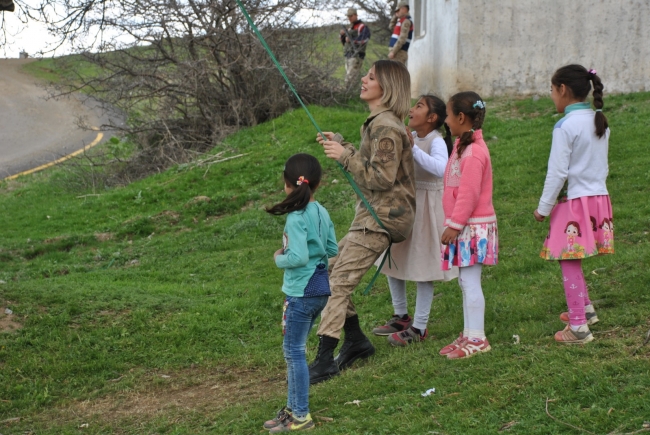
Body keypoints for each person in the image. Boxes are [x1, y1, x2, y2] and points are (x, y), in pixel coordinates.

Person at [310, 60, 416, 383]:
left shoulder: (387, 128)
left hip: (382, 220)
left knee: (338, 281)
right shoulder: (378, 124)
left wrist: (343, 155)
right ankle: (356, 341)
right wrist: (345, 145)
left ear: (387, 88)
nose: (364, 79)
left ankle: (325, 359)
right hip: (372, 216)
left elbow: (380, 178)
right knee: (330, 270)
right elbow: (373, 166)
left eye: (371, 77)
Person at [534, 64, 613, 344]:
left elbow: (557, 173)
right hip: (598, 201)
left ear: (563, 90)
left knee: (569, 261)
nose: (552, 97)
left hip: (574, 204)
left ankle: (579, 327)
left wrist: (543, 208)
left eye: (552, 91)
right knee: (574, 259)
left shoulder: (565, 126)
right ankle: (586, 310)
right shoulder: (599, 120)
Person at [372, 95, 458, 346]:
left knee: (424, 267)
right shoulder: (411, 136)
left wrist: (413, 148)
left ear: (432, 118)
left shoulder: (436, 140)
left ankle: (419, 327)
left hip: (428, 208)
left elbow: (441, 169)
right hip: (405, 204)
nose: (411, 109)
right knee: (392, 257)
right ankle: (400, 316)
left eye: (419, 106)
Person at [263, 153, 338, 433]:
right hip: (319, 290)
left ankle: (301, 415)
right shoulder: (322, 211)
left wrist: (278, 257)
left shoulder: (296, 217)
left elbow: (297, 257)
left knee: (293, 353)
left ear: (287, 184)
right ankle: (292, 409)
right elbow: (332, 250)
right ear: (316, 184)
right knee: (295, 352)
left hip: (299, 293)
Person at [439, 91, 497, 360]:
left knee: (471, 282)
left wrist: (454, 224)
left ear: (461, 117)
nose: (446, 120)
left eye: (449, 115)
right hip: (466, 227)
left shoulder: (473, 152)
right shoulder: (463, 146)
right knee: (465, 281)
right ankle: (468, 332)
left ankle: (477, 338)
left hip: (472, 228)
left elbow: (469, 193)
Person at [341, 7, 371, 88]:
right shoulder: (350, 28)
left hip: (357, 55)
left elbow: (364, 39)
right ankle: (349, 95)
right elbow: (344, 43)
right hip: (348, 54)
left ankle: (347, 94)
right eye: (348, 16)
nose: (349, 18)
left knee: (350, 78)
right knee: (349, 76)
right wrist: (343, 35)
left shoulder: (362, 26)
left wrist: (352, 40)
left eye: (351, 16)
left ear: (356, 15)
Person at [388, 1, 413, 65]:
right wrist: (395, 17)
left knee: (397, 73)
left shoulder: (406, 21)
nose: (396, 12)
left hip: (399, 52)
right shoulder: (400, 21)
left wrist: (393, 51)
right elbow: (391, 27)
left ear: (404, 9)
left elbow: (402, 38)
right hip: (396, 52)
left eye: (398, 10)